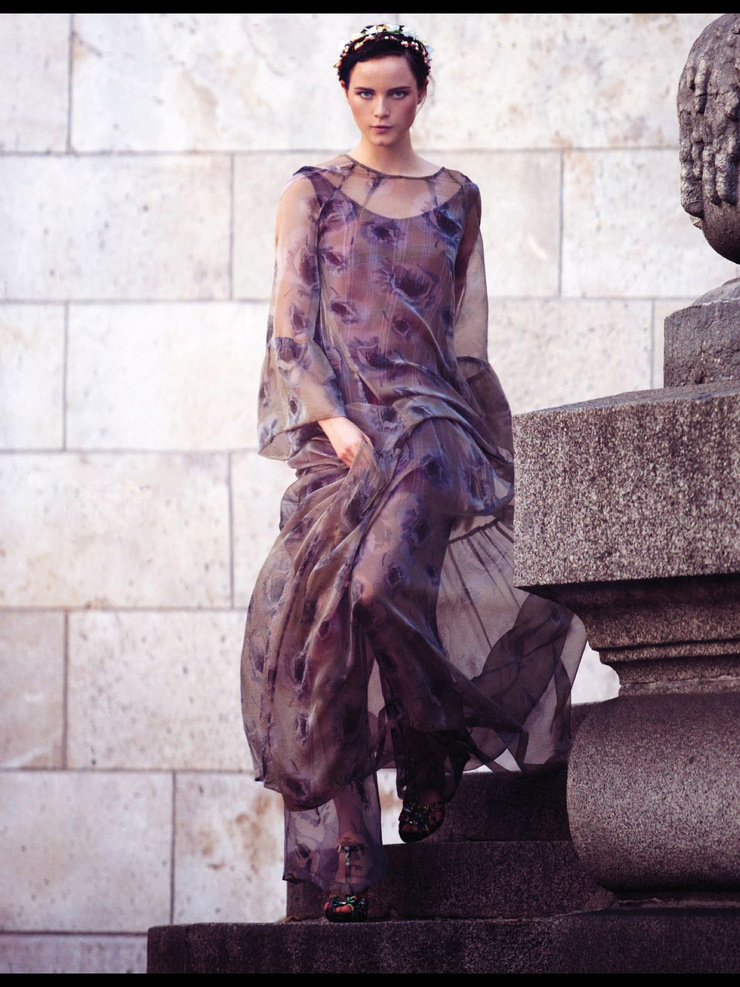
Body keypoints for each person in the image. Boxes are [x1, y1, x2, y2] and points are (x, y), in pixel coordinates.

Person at [241, 23, 586, 923]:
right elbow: (290, 330)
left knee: (375, 588)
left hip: (433, 427)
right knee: (322, 635)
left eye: (397, 92)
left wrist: (498, 450)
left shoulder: (455, 197)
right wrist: (331, 418)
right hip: (340, 442)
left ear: (420, 95)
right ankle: (355, 847)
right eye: (366, 93)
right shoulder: (311, 194)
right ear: (346, 95)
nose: (382, 109)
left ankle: (429, 741)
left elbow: (466, 342)